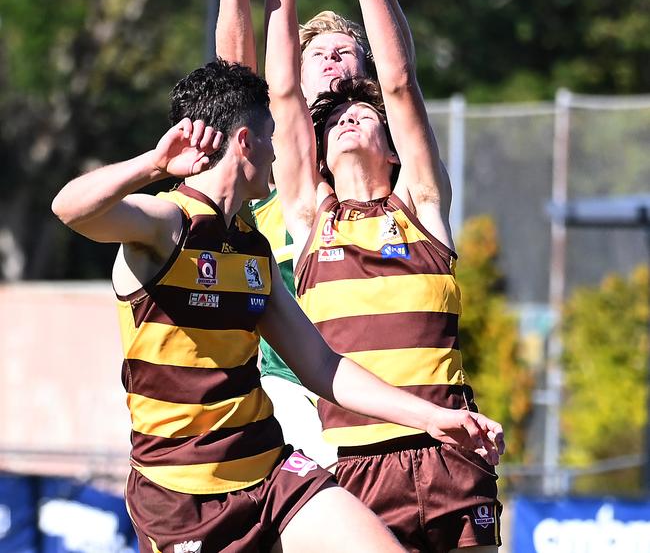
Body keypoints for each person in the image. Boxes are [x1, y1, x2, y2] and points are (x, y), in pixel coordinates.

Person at [51, 57, 504, 553]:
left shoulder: (251, 248)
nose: (278, 153)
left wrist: (433, 417)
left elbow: (322, 366)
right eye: (271, 137)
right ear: (245, 142)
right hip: (181, 497)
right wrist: (155, 165)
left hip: (271, 471)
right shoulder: (167, 225)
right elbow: (70, 208)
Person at [243, 0, 504, 552]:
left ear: (393, 148)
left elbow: (397, 81)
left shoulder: (422, 207)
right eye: (340, 119)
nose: (354, 118)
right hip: (353, 467)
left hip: (450, 451)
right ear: (318, 155)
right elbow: (284, 98)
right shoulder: (309, 217)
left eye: (367, 116)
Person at [191, 0, 403, 466]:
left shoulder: (387, 152)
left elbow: (401, 81)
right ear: (297, 76)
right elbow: (238, 83)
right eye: (319, 54)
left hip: (382, 373)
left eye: (345, 53)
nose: (333, 63)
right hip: (287, 381)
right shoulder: (273, 156)